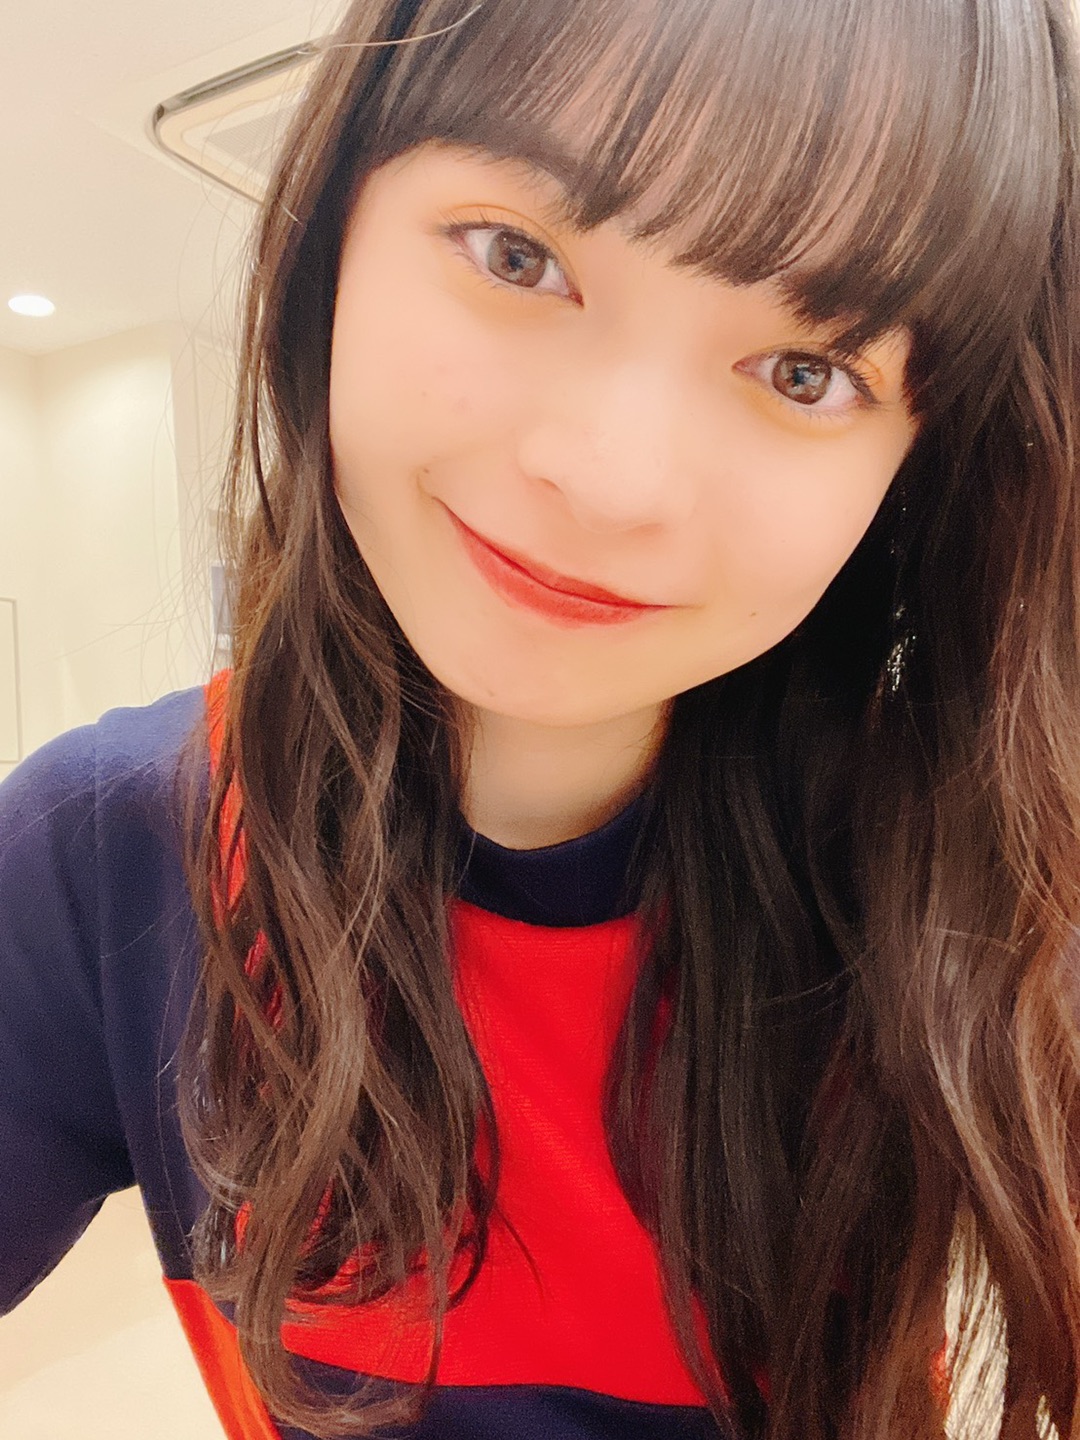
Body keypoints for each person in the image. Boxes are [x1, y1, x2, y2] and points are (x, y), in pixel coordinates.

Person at [2, 0, 1079, 1436]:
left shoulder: (966, 877)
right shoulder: (108, 855)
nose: (611, 480)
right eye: (519, 255)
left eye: (808, 371)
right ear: (335, 226)